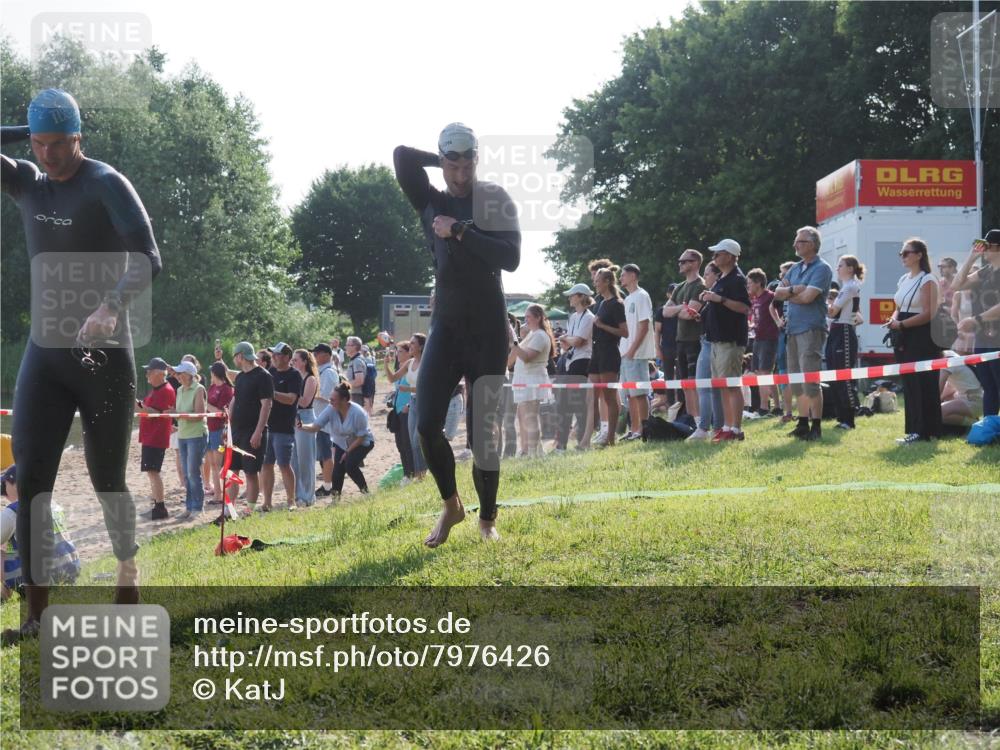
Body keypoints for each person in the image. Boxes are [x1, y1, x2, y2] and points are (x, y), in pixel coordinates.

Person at [1, 89, 161, 641]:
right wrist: (24, 133)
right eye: (38, 144)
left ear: (79, 137)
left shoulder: (104, 183)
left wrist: (110, 305)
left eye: (57, 143)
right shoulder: (26, 180)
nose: (48, 155)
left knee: (108, 478)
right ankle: (35, 614)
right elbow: (30, 153)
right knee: (33, 481)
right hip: (45, 355)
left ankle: (127, 571)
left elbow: (148, 256)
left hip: (104, 355)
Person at [394, 122, 520, 546]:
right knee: (426, 424)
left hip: (487, 327)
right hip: (446, 326)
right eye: (453, 163)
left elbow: (512, 258)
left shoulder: (493, 199)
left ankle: (487, 519)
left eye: (468, 162)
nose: (461, 173)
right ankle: (452, 505)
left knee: (483, 433)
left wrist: (461, 230)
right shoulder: (430, 200)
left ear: (477, 160)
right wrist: (439, 158)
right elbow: (401, 157)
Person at [774, 226, 834, 442]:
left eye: (800, 241)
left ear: (813, 244)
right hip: (792, 330)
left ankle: (816, 426)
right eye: (796, 241)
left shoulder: (822, 268)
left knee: (810, 380)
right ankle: (802, 423)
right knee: (796, 381)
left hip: (811, 329)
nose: (795, 245)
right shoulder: (795, 268)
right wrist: (794, 290)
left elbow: (808, 297)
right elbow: (777, 293)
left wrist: (791, 292)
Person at [886, 238, 942, 444]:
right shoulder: (904, 279)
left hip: (922, 336)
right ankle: (915, 430)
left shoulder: (928, 279)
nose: (903, 256)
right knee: (910, 383)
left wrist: (901, 324)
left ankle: (925, 430)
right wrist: (893, 320)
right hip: (903, 334)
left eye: (906, 253)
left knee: (923, 382)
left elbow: (929, 313)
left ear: (919, 255)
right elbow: (899, 307)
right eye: (901, 253)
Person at [2, 466, 80, 602]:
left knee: (4, 549)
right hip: (68, 573)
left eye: (5, 485)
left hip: (36, 584)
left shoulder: (14, 511)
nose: (3, 491)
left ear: (16, 485)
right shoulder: (53, 504)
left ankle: (3, 596)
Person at [700, 239, 751, 441]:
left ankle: (736, 429)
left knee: (731, 385)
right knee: (723, 385)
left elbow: (744, 307)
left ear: (729, 256)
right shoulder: (722, 278)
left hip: (730, 341)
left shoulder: (737, 279)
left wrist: (718, 299)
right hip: (717, 340)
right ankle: (727, 426)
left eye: (718, 253)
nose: (714, 257)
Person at [952, 231, 1000, 417]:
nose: (983, 249)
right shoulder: (985, 272)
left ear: (997, 247)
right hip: (983, 338)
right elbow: (956, 285)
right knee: (988, 386)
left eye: (986, 245)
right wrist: (971, 258)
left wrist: (976, 319)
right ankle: (989, 428)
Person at [298, 383, 375, 497]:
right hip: (341, 443)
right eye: (330, 399)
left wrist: (347, 452)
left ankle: (366, 493)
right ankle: (335, 500)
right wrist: (301, 426)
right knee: (337, 471)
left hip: (362, 443)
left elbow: (361, 437)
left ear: (344, 400)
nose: (330, 401)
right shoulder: (330, 409)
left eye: (333, 399)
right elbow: (316, 427)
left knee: (350, 465)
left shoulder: (358, 413)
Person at [226, 342, 273, 510]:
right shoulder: (240, 377)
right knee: (232, 471)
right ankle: (229, 510)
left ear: (240, 356)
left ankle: (249, 510)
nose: (234, 360)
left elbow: (267, 404)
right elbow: (235, 400)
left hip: (253, 431)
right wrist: (228, 427)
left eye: (235, 357)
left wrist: (258, 432)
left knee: (251, 472)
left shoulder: (263, 376)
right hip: (237, 431)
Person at [663, 250, 706, 420]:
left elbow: (691, 313)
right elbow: (665, 311)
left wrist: (679, 310)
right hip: (680, 340)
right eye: (679, 261)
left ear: (694, 263)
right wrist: (682, 307)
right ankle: (692, 419)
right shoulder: (679, 287)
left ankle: (700, 420)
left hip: (695, 340)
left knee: (694, 382)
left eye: (684, 261)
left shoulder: (701, 286)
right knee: (685, 384)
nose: (679, 264)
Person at [588, 267, 628, 447]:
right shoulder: (600, 303)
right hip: (596, 352)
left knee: (609, 397)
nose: (595, 284)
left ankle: (611, 436)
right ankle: (593, 433)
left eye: (597, 281)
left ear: (606, 282)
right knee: (592, 394)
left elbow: (625, 332)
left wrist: (602, 325)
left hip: (610, 352)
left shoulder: (617, 304)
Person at [509, 304, 555, 456]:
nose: (525, 320)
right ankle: (538, 452)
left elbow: (527, 357)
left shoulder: (541, 335)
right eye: (525, 317)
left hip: (532, 380)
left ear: (538, 318)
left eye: (528, 317)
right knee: (528, 418)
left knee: (531, 419)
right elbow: (514, 358)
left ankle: (532, 453)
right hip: (525, 379)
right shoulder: (533, 334)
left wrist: (513, 343)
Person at [687, 262, 726, 441]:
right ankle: (717, 427)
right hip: (709, 341)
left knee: (704, 386)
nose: (705, 277)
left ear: (716, 275)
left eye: (707, 274)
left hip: (711, 343)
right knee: (713, 389)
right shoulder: (712, 296)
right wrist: (699, 316)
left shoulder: (715, 295)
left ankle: (704, 427)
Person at [261, 342, 301, 512]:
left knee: (284, 465)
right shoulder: (270, 373)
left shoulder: (294, 375)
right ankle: (267, 502)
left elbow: (291, 399)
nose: (274, 358)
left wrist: (271, 393)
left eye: (277, 355)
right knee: (266, 464)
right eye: (273, 355)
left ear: (286, 357)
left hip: (284, 427)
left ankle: (291, 501)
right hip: (268, 426)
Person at [555, 284, 595, 450]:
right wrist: (569, 339)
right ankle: (561, 445)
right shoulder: (572, 317)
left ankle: (581, 442)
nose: (569, 298)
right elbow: (568, 344)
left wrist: (568, 339)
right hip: (570, 360)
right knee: (563, 404)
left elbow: (578, 341)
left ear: (580, 296)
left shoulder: (589, 317)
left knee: (578, 404)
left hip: (582, 361)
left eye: (572, 295)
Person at [826, 255, 864, 429]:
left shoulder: (850, 287)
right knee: (834, 375)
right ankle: (841, 417)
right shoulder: (846, 288)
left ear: (850, 268)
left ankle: (849, 418)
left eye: (840, 265)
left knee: (844, 376)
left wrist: (821, 304)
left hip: (844, 333)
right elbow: (858, 316)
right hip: (836, 331)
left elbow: (833, 312)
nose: (837, 268)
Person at [618, 264, 656, 441]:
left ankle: (644, 428)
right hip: (625, 353)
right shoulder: (627, 299)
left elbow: (644, 325)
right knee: (630, 395)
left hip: (637, 353)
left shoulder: (642, 296)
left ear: (633, 275)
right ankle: (634, 430)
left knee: (639, 394)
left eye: (623, 275)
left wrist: (632, 349)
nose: (620, 279)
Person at [136, 358, 175, 520]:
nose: (147, 374)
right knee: (151, 472)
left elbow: (155, 412)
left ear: (159, 373)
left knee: (153, 471)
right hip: (149, 436)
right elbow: (147, 408)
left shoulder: (166, 390)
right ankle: (157, 506)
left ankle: (160, 507)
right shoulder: (156, 389)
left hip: (156, 437)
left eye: (150, 371)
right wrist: (138, 403)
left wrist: (139, 404)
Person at [171, 361, 208, 518]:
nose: (177, 376)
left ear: (188, 375)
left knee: (193, 472)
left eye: (180, 373)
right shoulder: (179, 390)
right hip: (183, 435)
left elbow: (199, 414)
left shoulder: (199, 389)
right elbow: (180, 412)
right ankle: (189, 506)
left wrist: (179, 415)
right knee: (187, 474)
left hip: (196, 435)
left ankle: (198, 508)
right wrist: (172, 414)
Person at [746, 268, 779, 417]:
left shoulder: (770, 296)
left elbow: (780, 314)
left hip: (769, 338)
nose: (748, 286)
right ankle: (775, 407)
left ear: (758, 283)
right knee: (760, 372)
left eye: (750, 283)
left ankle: (765, 407)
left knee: (765, 372)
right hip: (757, 338)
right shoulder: (755, 300)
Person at [384, 341, 416, 481]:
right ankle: (407, 473)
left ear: (409, 352)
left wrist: (409, 405)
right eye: (397, 351)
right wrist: (386, 364)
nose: (397, 354)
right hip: (398, 411)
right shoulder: (401, 368)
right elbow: (392, 380)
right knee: (400, 444)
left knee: (407, 444)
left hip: (407, 411)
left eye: (401, 351)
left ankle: (413, 473)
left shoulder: (412, 368)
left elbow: (416, 389)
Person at [292, 349, 319, 506]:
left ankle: (308, 496)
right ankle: (297, 494)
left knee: (305, 460)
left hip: (306, 417)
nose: (293, 362)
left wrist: (289, 394)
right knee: (294, 460)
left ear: (304, 361)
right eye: (293, 360)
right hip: (293, 417)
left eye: (296, 360)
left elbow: (304, 401)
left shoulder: (310, 379)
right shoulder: (295, 376)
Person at [770, 261, 797, 422]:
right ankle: (787, 412)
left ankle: (804, 412)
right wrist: (778, 321)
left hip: (800, 333)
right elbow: (771, 307)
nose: (781, 277)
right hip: (784, 334)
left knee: (801, 372)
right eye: (781, 274)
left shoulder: (800, 286)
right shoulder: (781, 290)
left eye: (783, 274)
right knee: (783, 371)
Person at [311, 343, 339, 497]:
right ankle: (328, 483)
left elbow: (327, 395)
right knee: (322, 455)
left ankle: (329, 486)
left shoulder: (328, 372)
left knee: (326, 454)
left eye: (317, 353)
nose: (314, 356)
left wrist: (308, 393)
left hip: (325, 419)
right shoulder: (321, 371)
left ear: (326, 355)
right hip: (320, 417)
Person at [205, 362, 234, 504]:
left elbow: (223, 413)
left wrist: (206, 405)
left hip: (220, 430)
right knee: (212, 463)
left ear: (215, 373)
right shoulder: (212, 387)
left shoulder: (227, 389)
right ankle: (217, 492)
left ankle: (221, 494)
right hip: (210, 429)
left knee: (219, 464)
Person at [401, 334, 429, 480]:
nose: (410, 346)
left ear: (421, 346)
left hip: (424, 402)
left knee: (418, 440)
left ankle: (423, 473)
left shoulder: (427, 362)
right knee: (413, 441)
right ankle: (419, 474)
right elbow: (392, 378)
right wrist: (386, 364)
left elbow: (427, 387)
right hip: (412, 402)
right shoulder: (410, 362)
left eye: (413, 343)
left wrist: (407, 390)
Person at [940, 350, 984, 429]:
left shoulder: (947, 361)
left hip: (973, 400)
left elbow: (939, 387)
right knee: (945, 398)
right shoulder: (951, 354)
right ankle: (970, 418)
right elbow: (949, 388)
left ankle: (975, 424)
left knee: (939, 412)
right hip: (974, 397)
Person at [651, 284, 679, 413]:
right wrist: (657, 349)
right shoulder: (661, 311)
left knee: (681, 378)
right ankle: (671, 407)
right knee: (668, 378)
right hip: (667, 347)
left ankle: (682, 407)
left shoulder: (682, 309)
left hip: (682, 346)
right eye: (673, 292)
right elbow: (657, 331)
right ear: (668, 295)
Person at [344, 337, 367, 408]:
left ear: (354, 347)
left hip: (357, 395)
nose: (345, 347)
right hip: (355, 394)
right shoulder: (354, 360)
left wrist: (344, 385)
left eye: (347, 345)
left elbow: (359, 381)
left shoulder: (357, 361)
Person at [361, 345, 378, 415]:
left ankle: (369, 409)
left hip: (367, 378)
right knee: (371, 394)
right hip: (371, 378)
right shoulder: (371, 358)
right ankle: (370, 409)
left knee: (368, 394)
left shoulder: (364, 359)